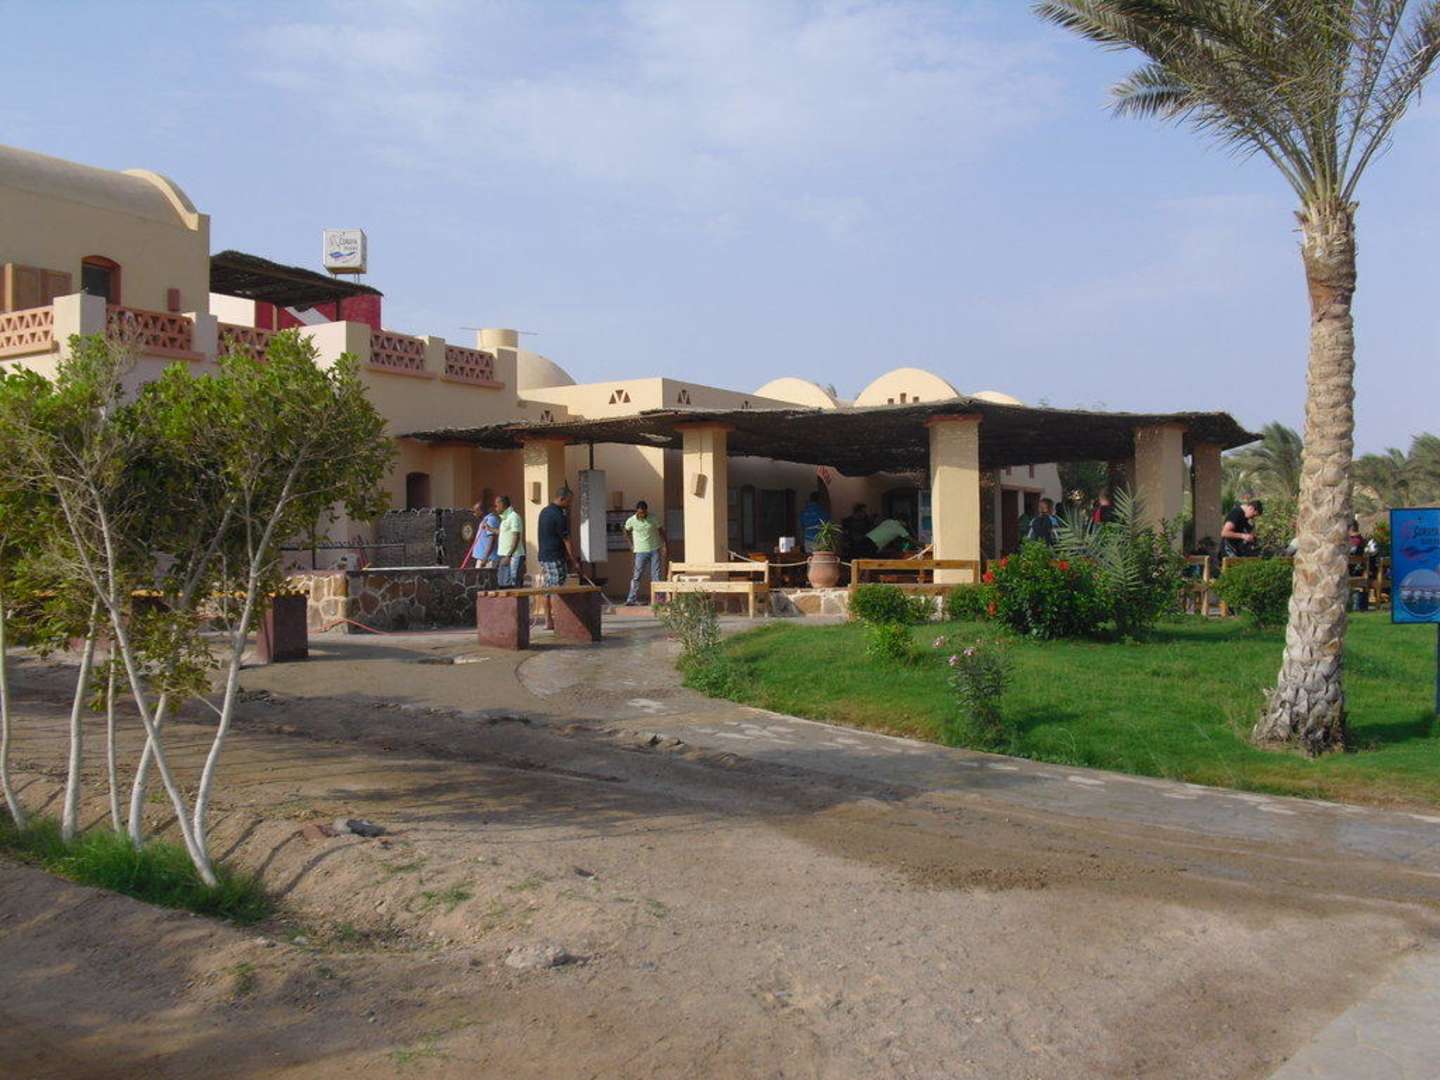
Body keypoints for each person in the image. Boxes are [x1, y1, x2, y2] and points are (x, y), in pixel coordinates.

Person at [623, 500, 667, 606]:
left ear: (646, 511)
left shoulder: (653, 518)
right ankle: (631, 599)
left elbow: (661, 531)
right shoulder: (631, 520)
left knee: (656, 575)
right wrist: (630, 545)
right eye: (639, 513)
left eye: (643, 513)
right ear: (636, 511)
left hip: (654, 549)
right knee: (637, 575)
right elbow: (625, 531)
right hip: (640, 551)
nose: (641, 515)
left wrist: (664, 545)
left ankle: (659, 599)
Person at [494, 495, 524, 587]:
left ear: (502, 504)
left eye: (496, 505)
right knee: (503, 584)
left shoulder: (514, 517)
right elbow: (502, 532)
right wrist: (489, 529)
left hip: (513, 556)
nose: (495, 508)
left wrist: (508, 556)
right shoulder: (504, 518)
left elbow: (516, 537)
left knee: (513, 584)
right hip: (504, 556)